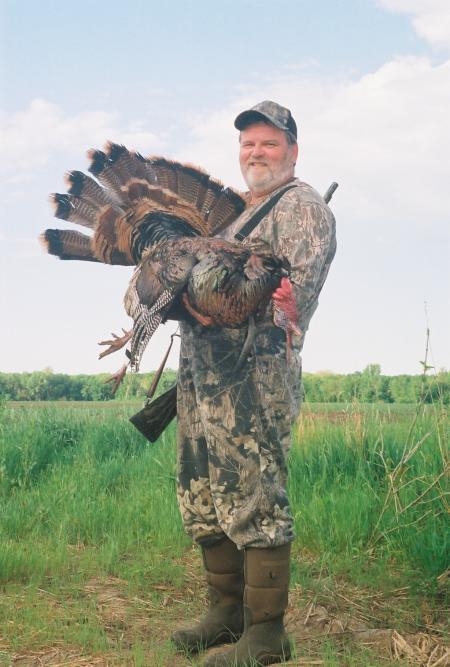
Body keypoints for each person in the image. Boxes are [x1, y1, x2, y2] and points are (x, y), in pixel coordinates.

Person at [172, 101, 337, 666]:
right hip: (201, 378)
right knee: (202, 494)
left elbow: (291, 296)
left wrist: (209, 301)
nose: (256, 153)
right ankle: (227, 613)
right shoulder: (234, 214)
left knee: (255, 495)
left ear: (292, 150)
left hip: (255, 379)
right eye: (248, 144)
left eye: (269, 143)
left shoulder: (304, 209)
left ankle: (266, 636)